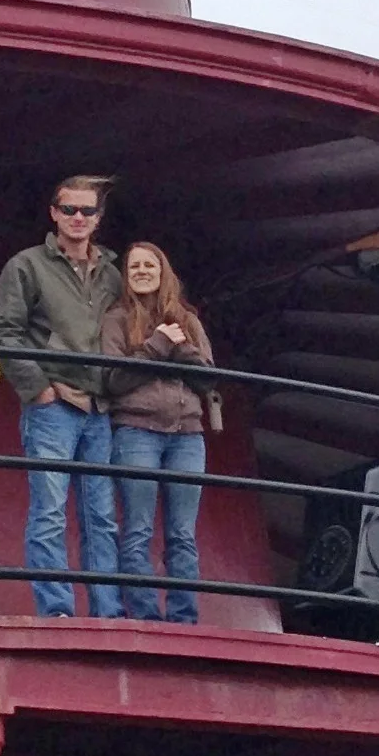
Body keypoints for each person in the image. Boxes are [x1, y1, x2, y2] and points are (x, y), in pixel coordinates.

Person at [0, 175, 123, 619]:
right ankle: (57, 610)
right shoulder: (26, 265)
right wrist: (40, 389)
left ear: (99, 218)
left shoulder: (113, 273)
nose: (78, 218)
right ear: (53, 213)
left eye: (87, 211)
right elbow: (2, 332)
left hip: (100, 408)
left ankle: (107, 611)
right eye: (70, 210)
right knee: (50, 511)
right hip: (53, 407)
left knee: (101, 517)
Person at [100, 242, 214, 625]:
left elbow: (211, 381)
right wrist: (159, 345)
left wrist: (183, 352)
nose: (143, 271)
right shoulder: (115, 319)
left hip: (188, 435)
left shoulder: (189, 320)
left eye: (150, 264)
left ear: (164, 272)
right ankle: (146, 617)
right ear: (125, 275)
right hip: (136, 431)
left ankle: (184, 617)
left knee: (183, 533)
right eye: (135, 266)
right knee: (138, 529)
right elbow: (113, 379)